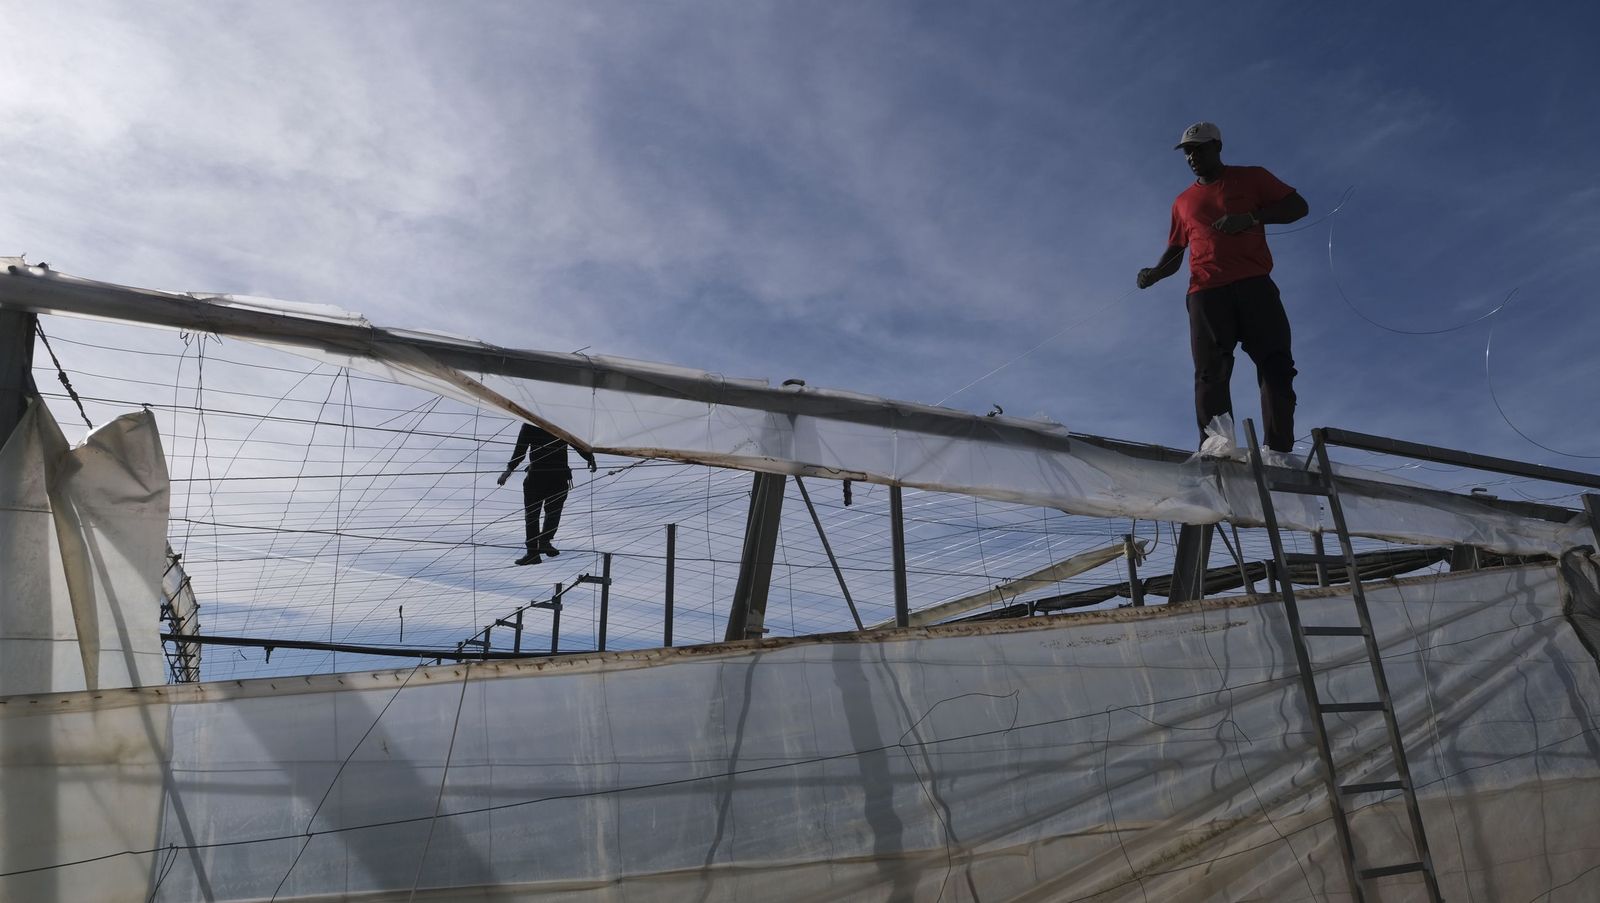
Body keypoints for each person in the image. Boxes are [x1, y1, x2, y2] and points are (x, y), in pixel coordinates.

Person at [1136, 121, 1309, 454]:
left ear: (1218, 146)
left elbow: (1298, 207)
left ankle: (1278, 451)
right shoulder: (1183, 202)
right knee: (1210, 375)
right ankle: (1218, 450)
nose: (1192, 156)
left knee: (1276, 366)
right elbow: (1176, 250)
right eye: (1187, 151)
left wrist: (1250, 218)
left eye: (1199, 148)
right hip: (1206, 293)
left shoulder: (1252, 177)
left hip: (1255, 286)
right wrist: (1155, 273)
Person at [496, 422, 597, 566]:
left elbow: (520, 450)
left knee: (533, 514)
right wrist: (590, 458)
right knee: (552, 512)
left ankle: (534, 551)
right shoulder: (558, 421)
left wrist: (508, 471)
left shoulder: (532, 423)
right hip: (556, 476)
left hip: (539, 476)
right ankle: (543, 542)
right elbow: (576, 443)